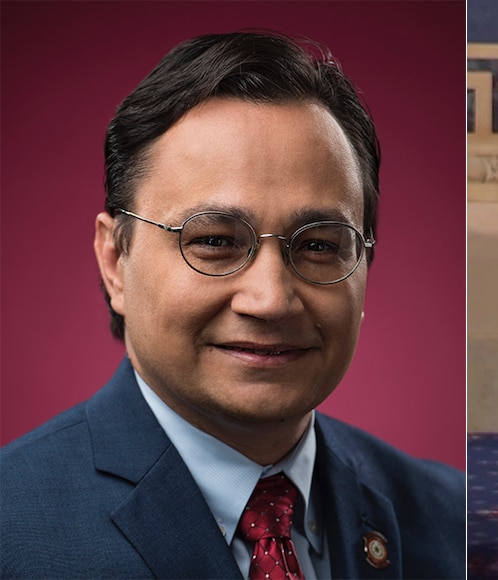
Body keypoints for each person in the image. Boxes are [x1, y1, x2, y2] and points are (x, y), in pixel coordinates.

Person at [0, 32, 464, 579]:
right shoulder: (14, 529)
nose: (271, 300)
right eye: (215, 241)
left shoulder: (454, 522)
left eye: (318, 246)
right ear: (115, 260)